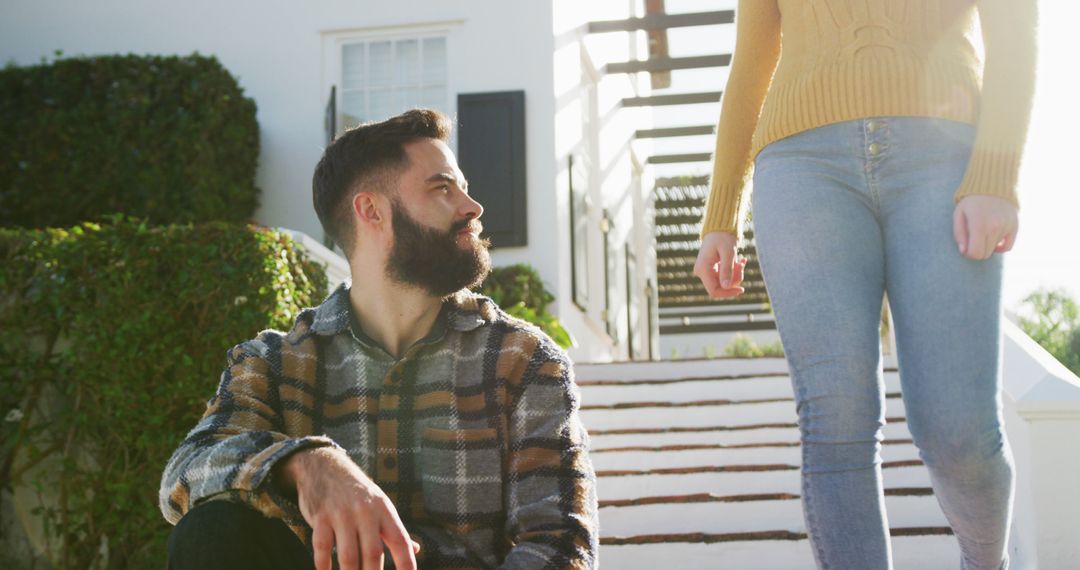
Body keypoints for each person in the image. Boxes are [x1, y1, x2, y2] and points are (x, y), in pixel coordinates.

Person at [159, 109, 599, 570]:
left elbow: (560, 543)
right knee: (212, 530)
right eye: (443, 188)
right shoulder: (274, 363)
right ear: (371, 210)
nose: (473, 207)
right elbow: (184, 474)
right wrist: (307, 464)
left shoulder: (524, 360)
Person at [694, 1, 1036, 568]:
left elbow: (1016, 26)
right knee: (836, 425)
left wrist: (996, 174)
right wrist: (721, 214)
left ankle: (987, 563)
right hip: (801, 165)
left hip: (944, 155)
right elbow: (750, 64)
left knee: (960, 434)